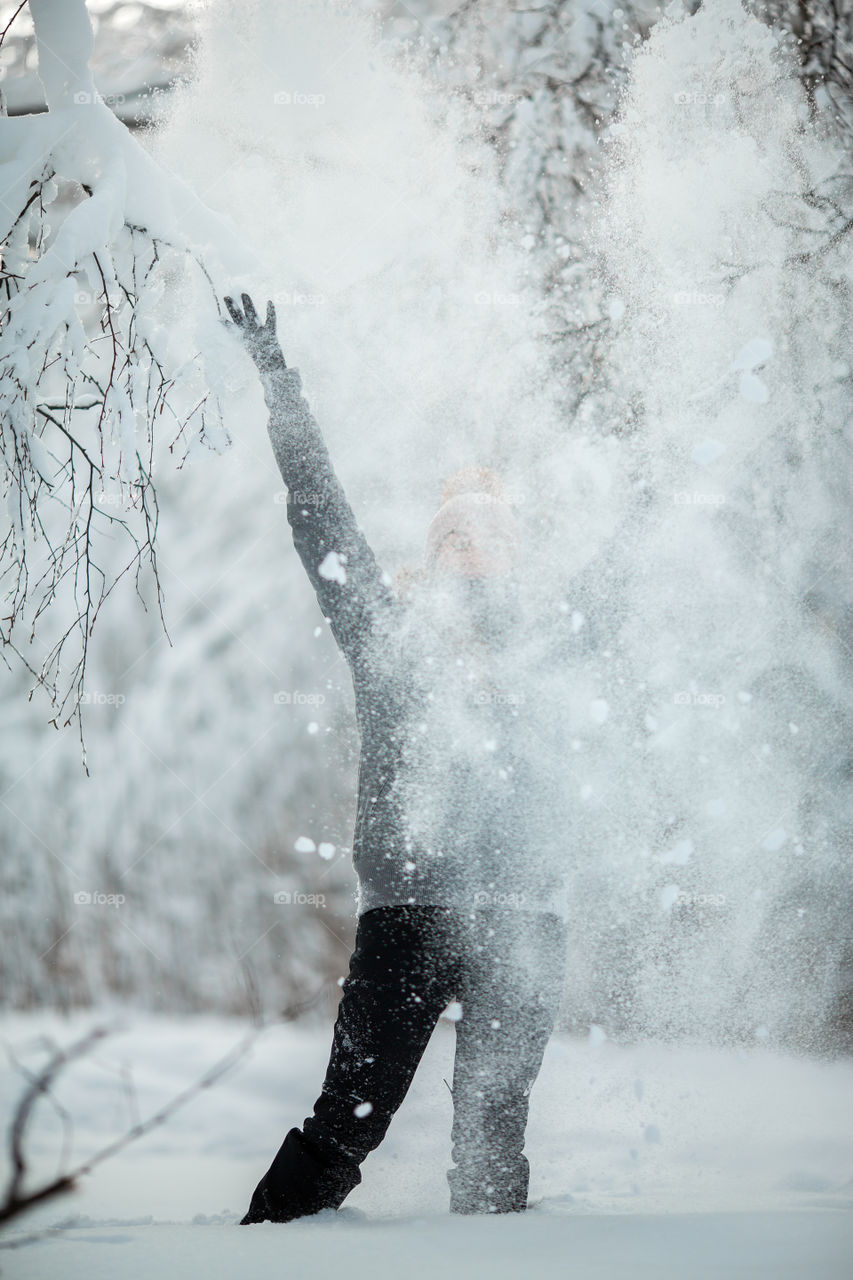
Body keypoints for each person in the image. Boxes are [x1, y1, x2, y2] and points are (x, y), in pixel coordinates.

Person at [224, 293, 569, 1222]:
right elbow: (321, 519)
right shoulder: (387, 635)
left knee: (493, 1131)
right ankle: (255, 1252)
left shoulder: (558, 651)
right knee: (347, 1121)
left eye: (485, 534)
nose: (465, 545)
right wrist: (279, 388)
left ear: (515, 554)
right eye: (448, 533)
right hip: (409, 917)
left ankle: (501, 1266)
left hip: (524, 920)